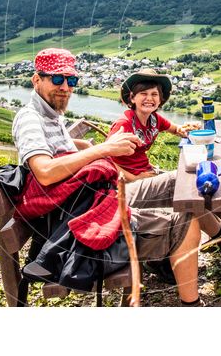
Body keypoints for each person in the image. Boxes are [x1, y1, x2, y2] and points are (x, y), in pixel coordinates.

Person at [11, 48, 203, 305]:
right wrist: (103, 150)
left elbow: (60, 151)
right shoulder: (30, 119)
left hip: (94, 198)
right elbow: (45, 172)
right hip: (80, 215)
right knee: (186, 222)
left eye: (71, 80)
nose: (66, 87)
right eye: (57, 79)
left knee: (184, 180)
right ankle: (192, 305)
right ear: (37, 80)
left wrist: (87, 148)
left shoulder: (51, 115)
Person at [108, 68, 221, 277]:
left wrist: (185, 128)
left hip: (146, 175)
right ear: (132, 98)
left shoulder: (153, 120)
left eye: (154, 94)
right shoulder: (124, 124)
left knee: (189, 186)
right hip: (124, 187)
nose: (149, 99)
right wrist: (134, 177)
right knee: (185, 185)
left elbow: (175, 129)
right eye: (143, 94)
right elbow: (105, 159)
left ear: (160, 100)